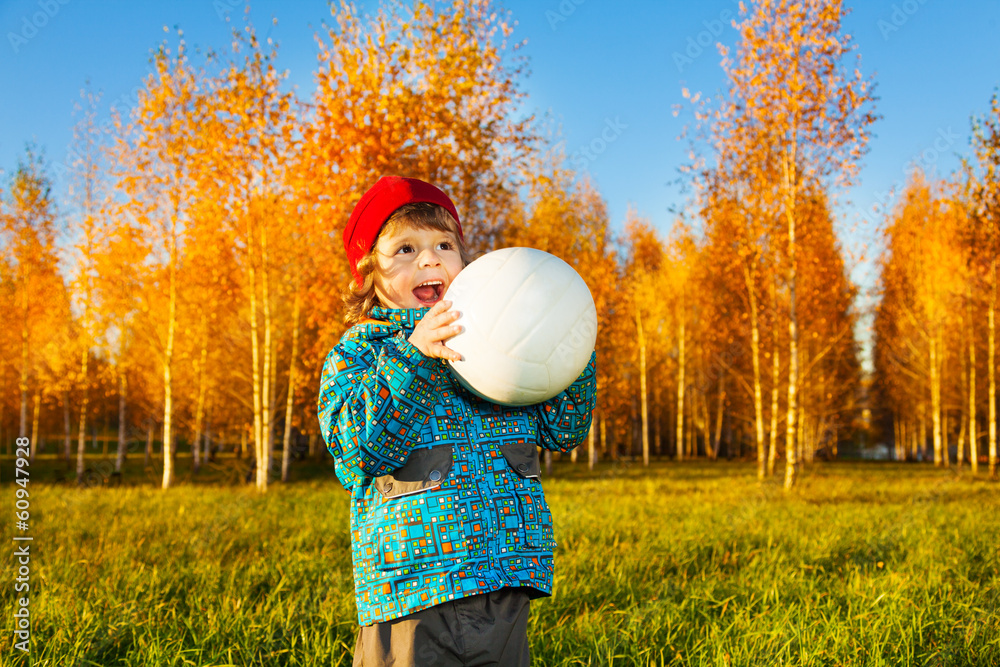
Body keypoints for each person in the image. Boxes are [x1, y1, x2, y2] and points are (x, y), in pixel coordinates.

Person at [317, 176, 597, 666]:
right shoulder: (358, 355)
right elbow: (358, 451)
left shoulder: (503, 345)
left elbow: (564, 430)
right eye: (405, 249)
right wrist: (415, 357)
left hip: (505, 582)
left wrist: (566, 347)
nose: (429, 259)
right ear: (367, 277)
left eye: (445, 244)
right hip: (411, 593)